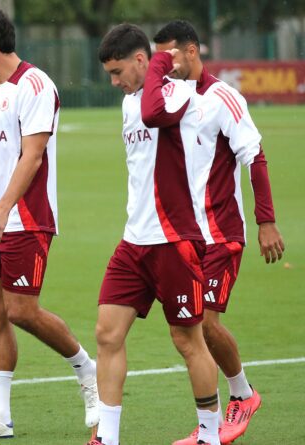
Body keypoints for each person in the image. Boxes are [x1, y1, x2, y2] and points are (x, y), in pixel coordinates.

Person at [0, 6, 98, 441]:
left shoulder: (36, 85)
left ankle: (88, 371)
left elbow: (32, 156)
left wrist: (2, 209)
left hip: (25, 218)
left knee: (21, 310)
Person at [153, 20, 285, 445]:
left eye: (168, 54)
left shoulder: (223, 97)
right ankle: (216, 418)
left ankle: (242, 395)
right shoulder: (167, 99)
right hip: (181, 237)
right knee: (188, 328)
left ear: (191, 51)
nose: (162, 63)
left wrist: (266, 220)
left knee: (204, 323)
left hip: (222, 233)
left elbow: (254, 156)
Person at [90, 24, 220, 445]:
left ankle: (210, 434)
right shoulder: (131, 101)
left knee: (188, 340)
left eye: (118, 71)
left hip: (175, 240)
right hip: (134, 241)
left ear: (142, 60)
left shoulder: (180, 94)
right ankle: (106, 438)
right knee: (107, 333)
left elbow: (153, 112)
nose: (114, 82)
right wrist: (142, 79)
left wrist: (164, 62)